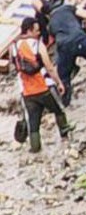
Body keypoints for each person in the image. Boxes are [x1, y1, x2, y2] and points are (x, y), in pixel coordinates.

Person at [11, 20, 69, 154]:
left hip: (26, 91)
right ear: (29, 30)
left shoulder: (13, 46)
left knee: (33, 121)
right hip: (43, 87)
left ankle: (35, 148)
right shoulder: (38, 45)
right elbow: (49, 67)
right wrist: (59, 82)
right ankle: (65, 133)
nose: (38, 32)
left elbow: (14, 66)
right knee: (58, 109)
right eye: (36, 30)